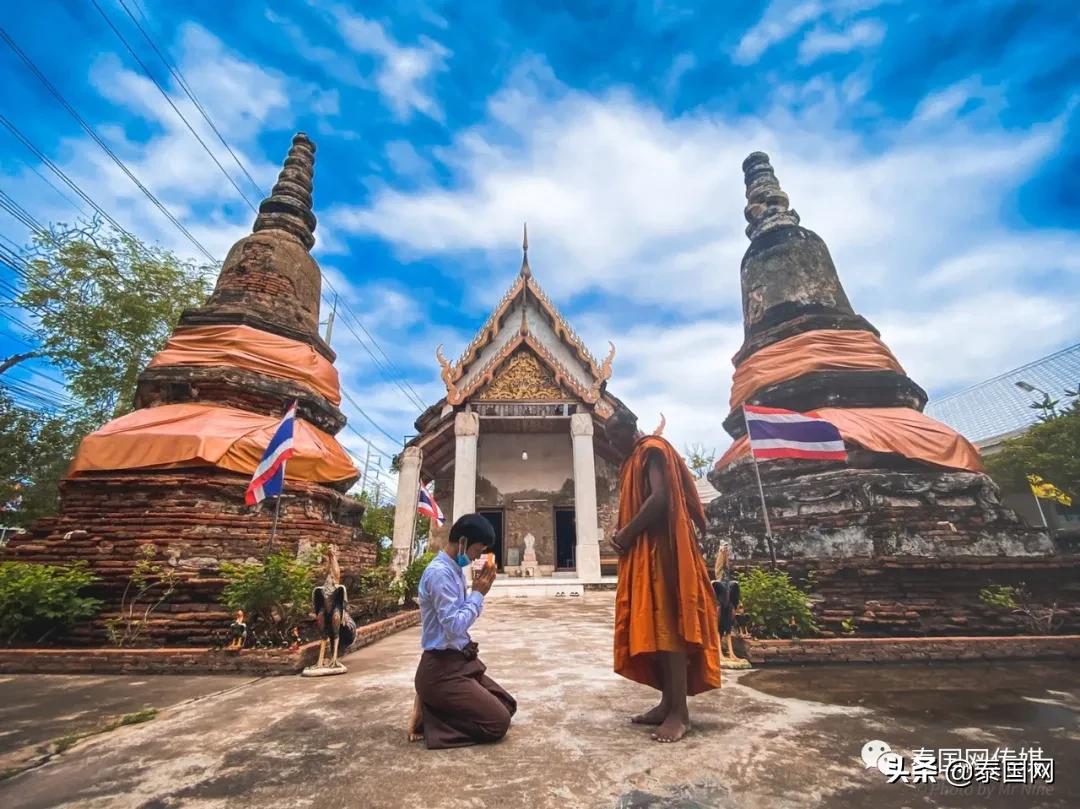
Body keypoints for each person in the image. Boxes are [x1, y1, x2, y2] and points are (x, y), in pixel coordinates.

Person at [606, 409, 721, 743]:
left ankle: (679, 713)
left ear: (631, 429)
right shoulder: (633, 459)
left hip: (663, 553)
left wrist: (626, 533)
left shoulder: (652, 450)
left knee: (669, 624)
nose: (612, 443)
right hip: (645, 553)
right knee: (654, 626)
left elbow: (661, 498)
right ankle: (667, 703)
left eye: (614, 436)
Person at [407, 513, 517, 749]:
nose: (477, 556)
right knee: (497, 723)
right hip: (440, 670)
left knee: (508, 705)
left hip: (460, 661)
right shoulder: (439, 574)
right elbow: (454, 624)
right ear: (464, 542)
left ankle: (432, 705)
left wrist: (477, 594)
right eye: (478, 550)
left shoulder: (455, 570)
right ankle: (429, 716)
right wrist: (477, 594)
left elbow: (459, 620)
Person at [711, 544, 741, 661]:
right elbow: (719, 569)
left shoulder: (731, 584)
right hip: (720, 606)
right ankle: (720, 654)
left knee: (728, 630)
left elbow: (725, 568)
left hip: (728, 606)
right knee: (719, 630)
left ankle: (731, 653)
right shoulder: (716, 584)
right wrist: (721, 552)